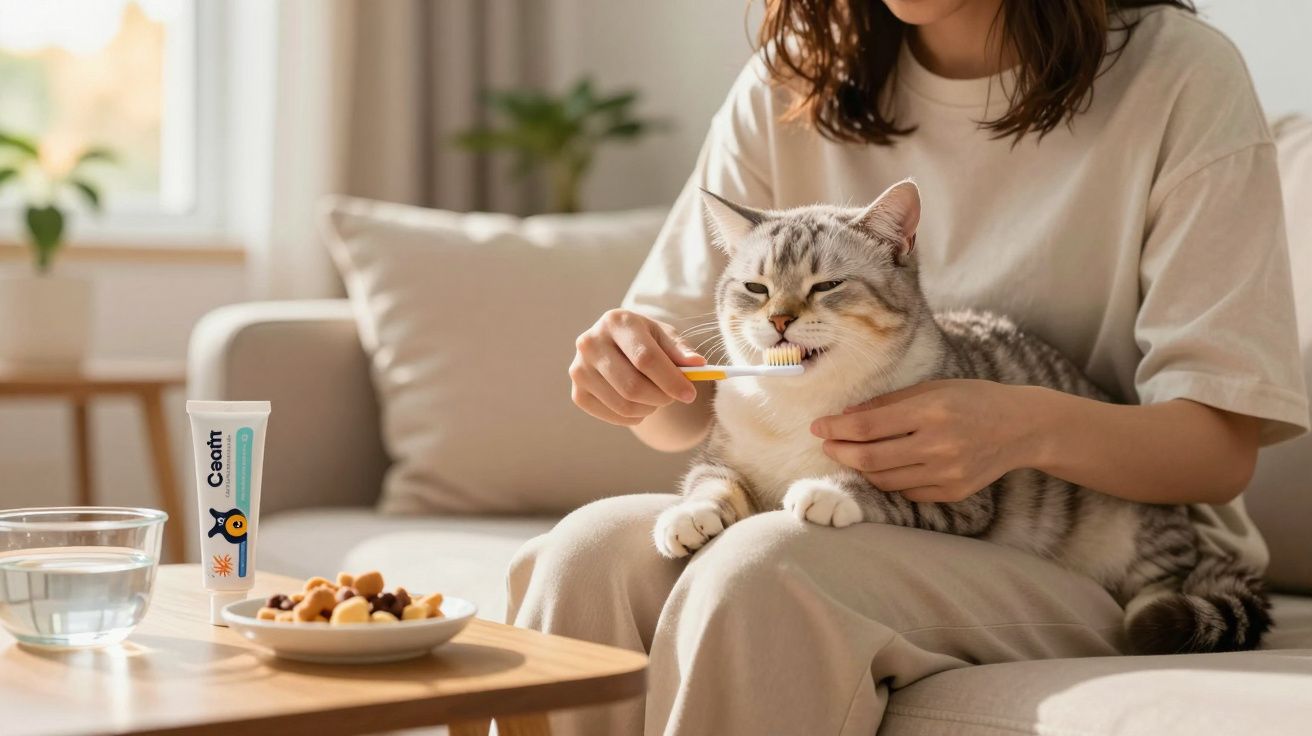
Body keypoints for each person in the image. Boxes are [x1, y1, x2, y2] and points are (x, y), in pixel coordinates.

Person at [508, 1, 1309, 733]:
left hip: (1074, 544)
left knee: (766, 573)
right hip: (838, 508)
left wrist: (1019, 426)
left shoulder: (1182, 75)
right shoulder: (794, 73)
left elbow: (1219, 450)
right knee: (589, 552)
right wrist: (634, 376)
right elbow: (684, 400)